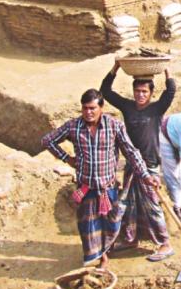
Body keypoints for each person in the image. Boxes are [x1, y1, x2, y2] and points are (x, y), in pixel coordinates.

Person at [41, 89, 159, 269]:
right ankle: (100, 257)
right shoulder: (73, 126)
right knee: (88, 226)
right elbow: (48, 140)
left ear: (101, 108)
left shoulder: (114, 126)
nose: (88, 112)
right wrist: (67, 159)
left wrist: (146, 176)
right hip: (86, 187)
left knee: (109, 224)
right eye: (85, 108)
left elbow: (131, 152)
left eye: (92, 108)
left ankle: (106, 251)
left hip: (108, 187)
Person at [99, 62, 174, 262]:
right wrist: (114, 67)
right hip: (132, 163)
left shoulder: (157, 109)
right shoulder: (128, 107)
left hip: (149, 164)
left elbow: (170, 92)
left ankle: (165, 243)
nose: (140, 95)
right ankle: (131, 239)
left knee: (152, 204)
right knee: (129, 203)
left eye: (144, 91)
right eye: (137, 91)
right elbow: (105, 91)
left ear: (150, 93)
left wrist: (167, 72)